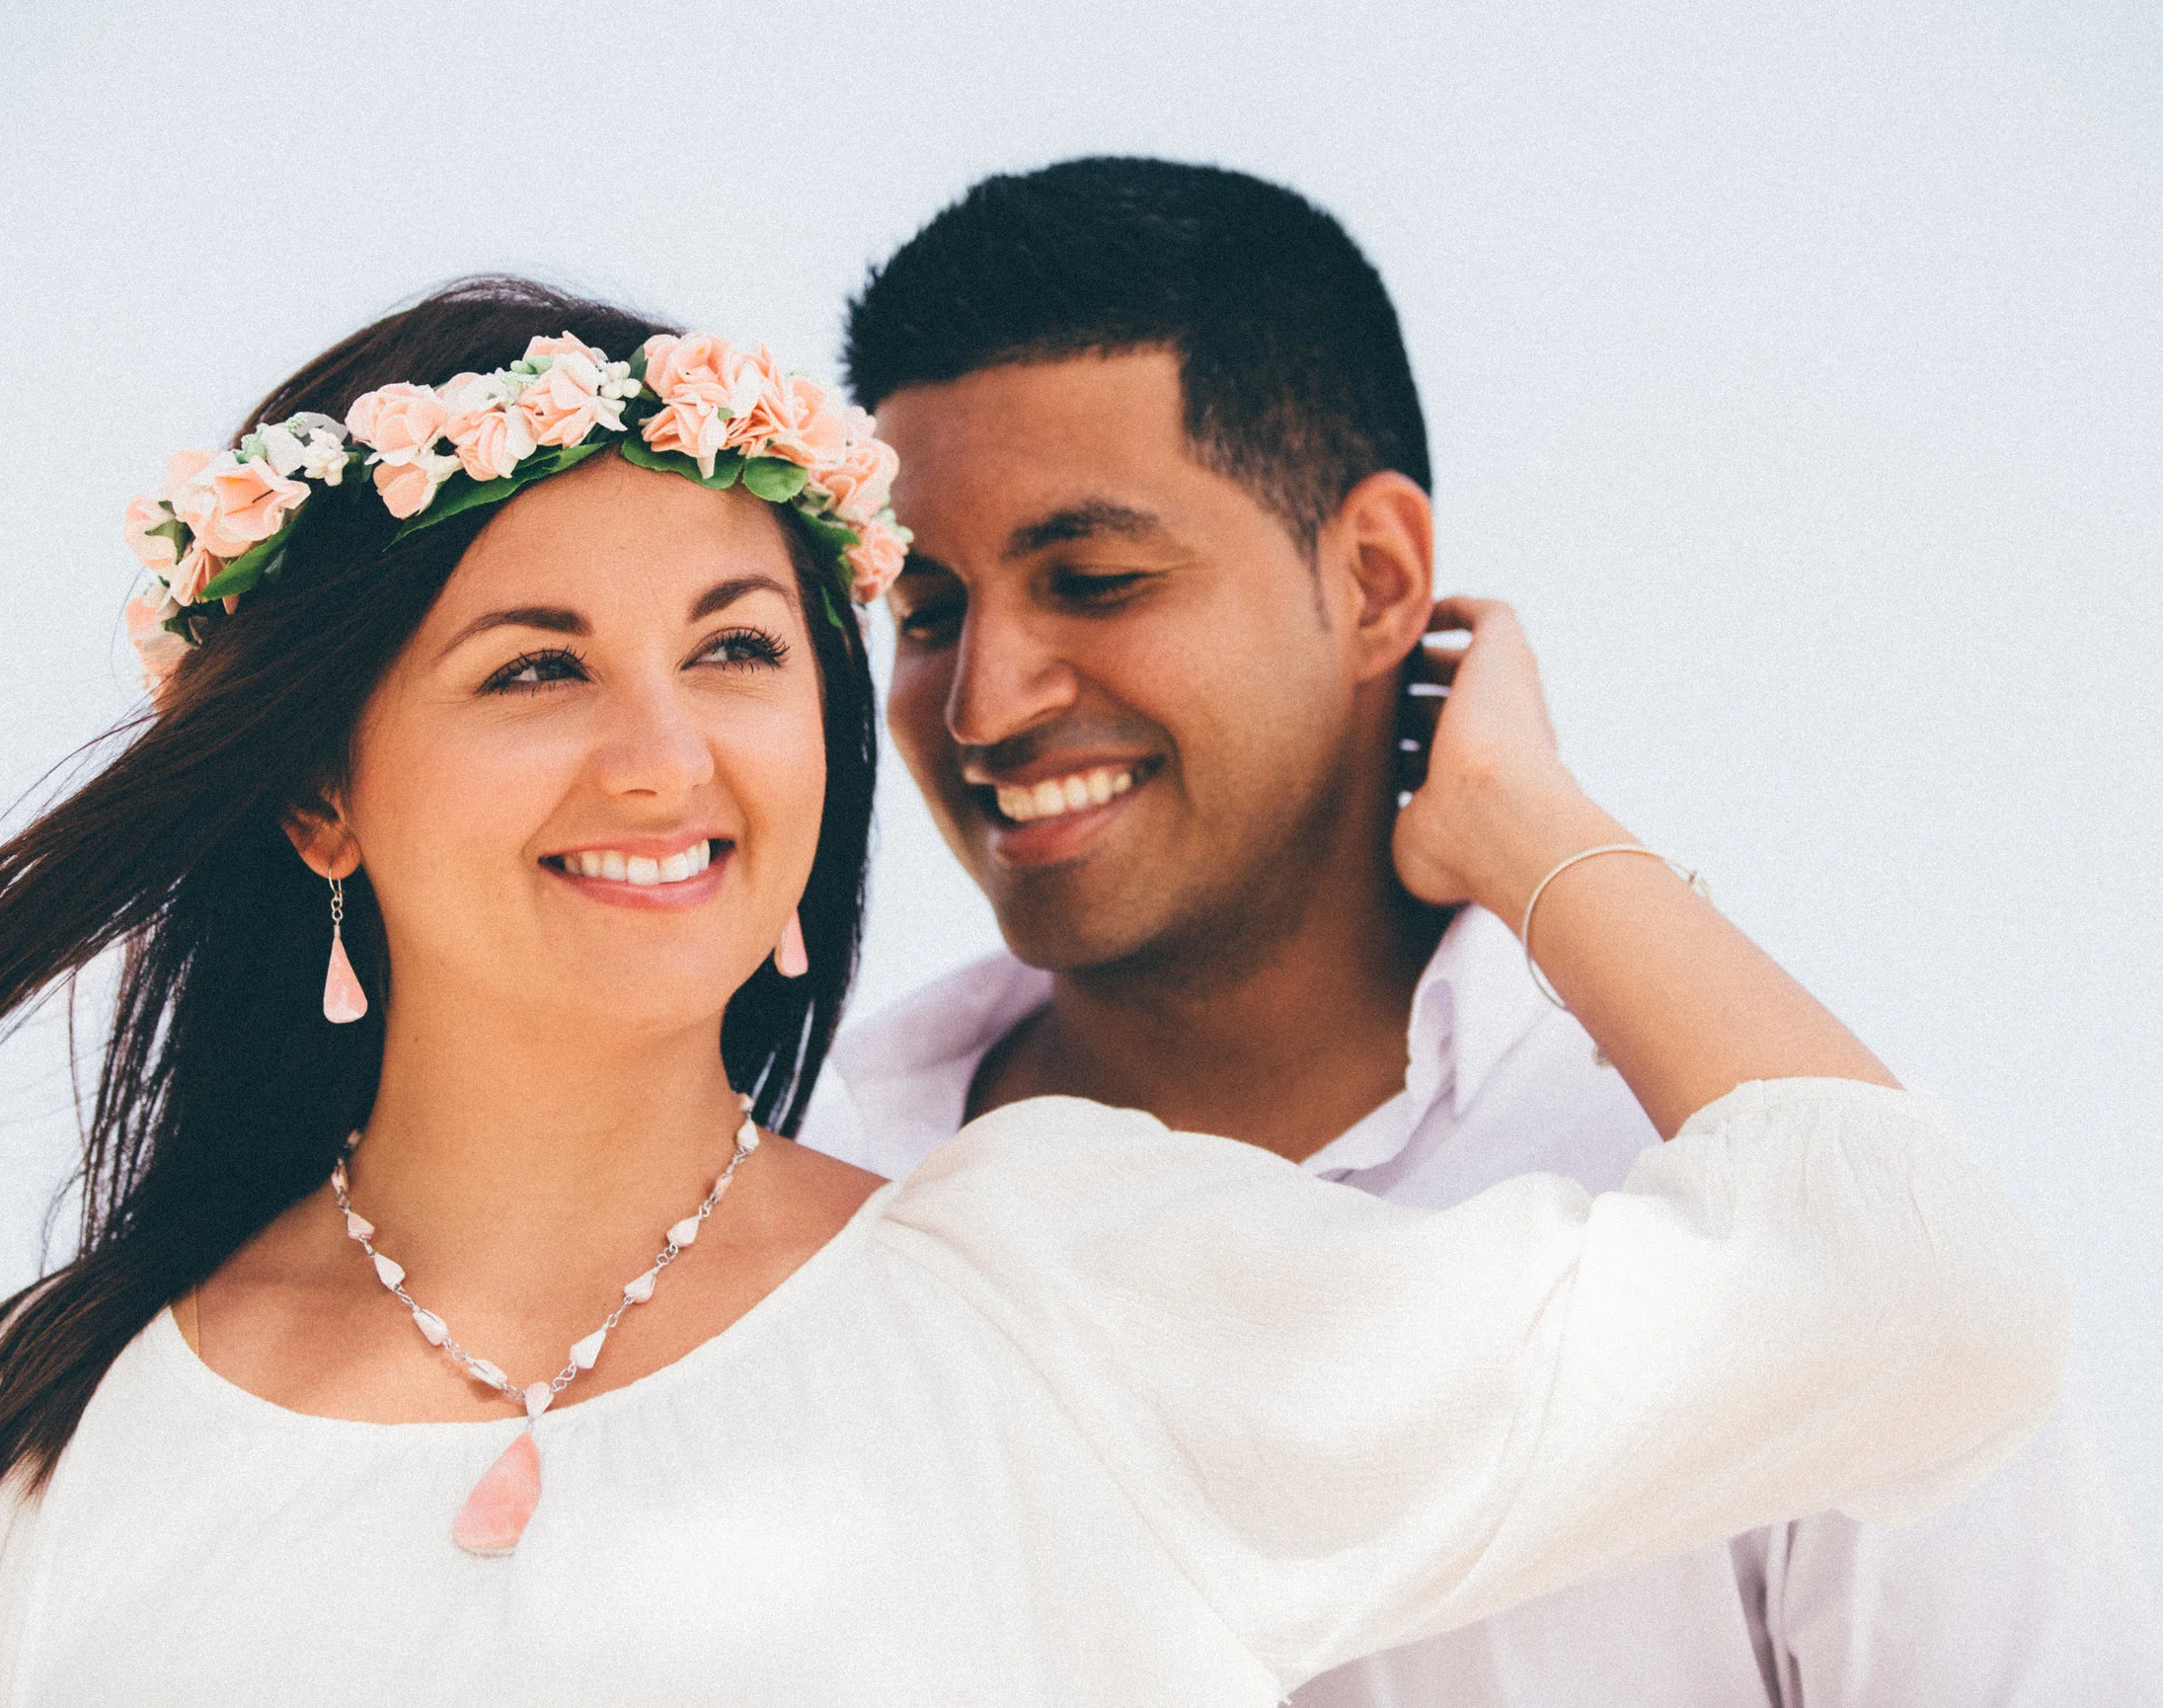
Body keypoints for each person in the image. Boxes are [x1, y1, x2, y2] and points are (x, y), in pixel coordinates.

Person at [0, 276, 2068, 1708]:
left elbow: (1921, 1295)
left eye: (740, 649)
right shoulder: (37, 1432)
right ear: (320, 798)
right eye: (536, 665)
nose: (668, 753)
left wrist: (1526, 832)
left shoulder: (1063, 1285)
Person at [808, 155, 2163, 1704]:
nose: (984, 701)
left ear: (1378, 577)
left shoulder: (1760, 1190)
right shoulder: (825, 1215)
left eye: (1096, 580)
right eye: (925, 614)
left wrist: (1527, 823)